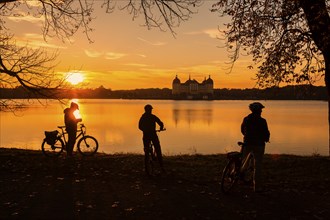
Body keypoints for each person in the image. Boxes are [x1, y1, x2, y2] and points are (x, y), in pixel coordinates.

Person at [241, 102, 270, 192]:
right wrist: (266, 138)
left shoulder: (246, 119)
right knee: (258, 165)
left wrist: (246, 136)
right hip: (259, 144)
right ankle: (256, 187)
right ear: (258, 111)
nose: (261, 111)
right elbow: (266, 132)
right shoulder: (262, 121)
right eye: (260, 110)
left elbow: (242, 129)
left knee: (243, 161)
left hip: (247, 143)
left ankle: (239, 175)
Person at [138, 104, 165, 174]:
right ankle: (161, 164)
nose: (151, 111)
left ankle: (147, 163)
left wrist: (144, 130)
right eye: (150, 110)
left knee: (146, 149)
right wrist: (161, 128)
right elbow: (161, 123)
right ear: (149, 110)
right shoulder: (153, 117)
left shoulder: (142, 117)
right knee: (157, 148)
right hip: (153, 134)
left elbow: (139, 126)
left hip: (146, 135)